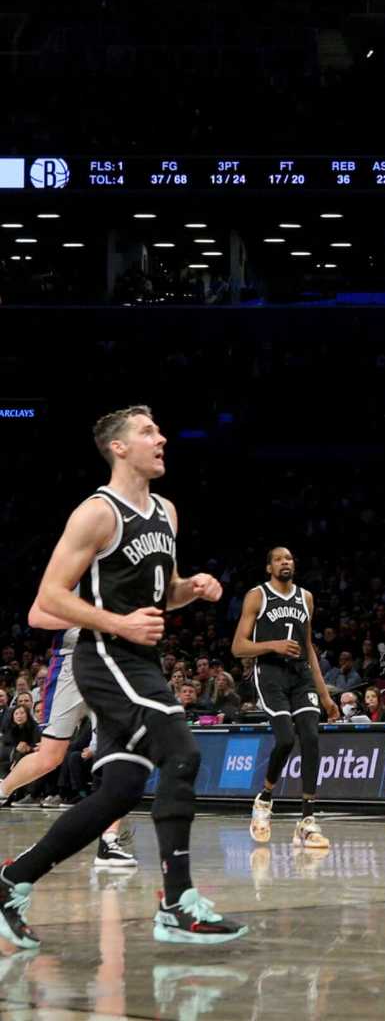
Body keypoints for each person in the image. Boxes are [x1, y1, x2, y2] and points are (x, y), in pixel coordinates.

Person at [2, 406, 243, 951]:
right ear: (118, 447)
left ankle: (11, 881)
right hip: (104, 656)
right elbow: (48, 599)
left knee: (119, 791)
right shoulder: (96, 512)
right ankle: (177, 903)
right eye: (148, 431)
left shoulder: (167, 512)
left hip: (138, 659)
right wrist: (119, 623)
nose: (162, 438)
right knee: (181, 753)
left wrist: (192, 588)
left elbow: (164, 591)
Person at [0, 622, 136, 867]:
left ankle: (109, 842)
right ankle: (2, 790)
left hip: (112, 662)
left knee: (120, 753)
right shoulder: (72, 582)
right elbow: (37, 616)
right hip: (72, 662)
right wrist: (94, 617)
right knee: (50, 757)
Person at [231, 547, 339, 849]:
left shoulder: (306, 598)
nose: (285, 562)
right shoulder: (258, 596)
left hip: (301, 675)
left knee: (311, 737)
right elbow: (238, 647)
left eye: (290, 558)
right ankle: (264, 799)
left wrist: (325, 695)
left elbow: (309, 649)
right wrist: (274, 645)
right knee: (285, 739)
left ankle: (306, 821)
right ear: (269, 567)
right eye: (279, 559)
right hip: (270, 675)